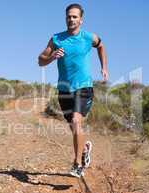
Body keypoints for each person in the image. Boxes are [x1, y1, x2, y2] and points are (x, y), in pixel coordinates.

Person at [38, 3, 108, 178]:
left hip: (84, 87)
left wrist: (104, 67)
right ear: (65, 18)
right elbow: (40, 60)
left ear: (81, 20)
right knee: (74, 127)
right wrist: (52, 56)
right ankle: (84, 149)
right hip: (64, 90)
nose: (71, 19)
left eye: (75, 16)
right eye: (69, 16)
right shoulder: (56, 39)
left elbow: (100, 46)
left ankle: (77, 164)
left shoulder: (88, 37)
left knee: (77, 122)